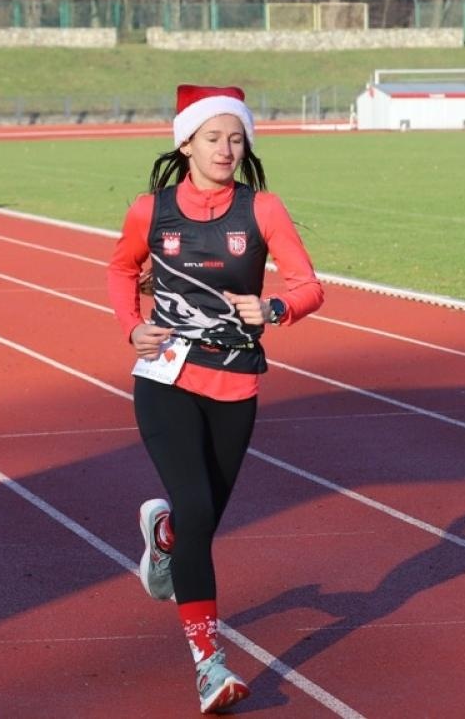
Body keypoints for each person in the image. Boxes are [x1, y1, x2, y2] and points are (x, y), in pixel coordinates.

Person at [105, 84, 324, 715]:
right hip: (165, 378)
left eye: (236, 138)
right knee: (200, 507)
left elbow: (308, 286)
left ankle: (165, 535)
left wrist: (276, 307)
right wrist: (131, 325)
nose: (227, 149)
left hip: (237, 385)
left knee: (199, 521)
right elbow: (121, 268)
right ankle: (209, 665)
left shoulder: (264, 210)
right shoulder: (150, 211)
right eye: (213, 138)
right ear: (186, 143)